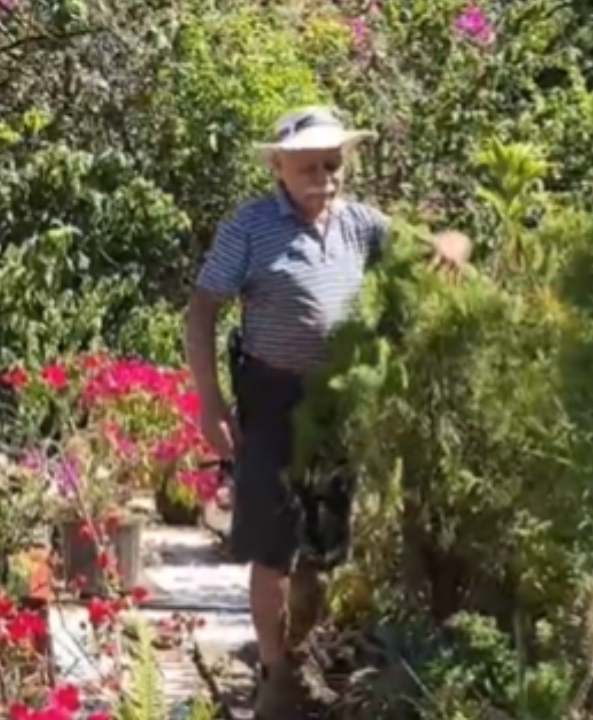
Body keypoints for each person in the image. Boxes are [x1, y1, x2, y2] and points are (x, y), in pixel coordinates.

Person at [185, 106, 470, 720]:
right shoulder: (251, 228)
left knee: (321, 545)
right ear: (279, 167)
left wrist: (454, 241)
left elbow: (439, 249)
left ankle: (299, 657)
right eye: (311, 165)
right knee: (270, 546)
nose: (325, 176)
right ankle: (274, 674)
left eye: (334, 164)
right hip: (271, 400)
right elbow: (202, 309)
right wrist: (209, 402)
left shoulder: (361, 225)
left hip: (337, 403)